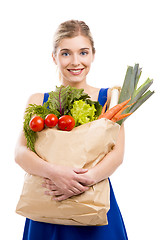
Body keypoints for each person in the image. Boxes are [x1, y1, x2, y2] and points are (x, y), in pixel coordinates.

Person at [15, 20, 128, 240]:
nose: (76, 62)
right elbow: (20, 153)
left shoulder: (111, 99)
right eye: (66, 53)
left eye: (83, 52)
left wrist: (80, 183)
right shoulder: (38, 101)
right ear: (54, 57)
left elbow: (117, 154)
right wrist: (56, 174)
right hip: (48, 206)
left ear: (93, 55)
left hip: (93, 204)